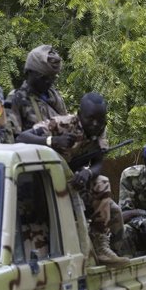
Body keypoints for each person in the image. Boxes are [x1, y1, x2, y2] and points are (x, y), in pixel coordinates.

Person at [17, 93, 126, 263]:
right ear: (79, 115)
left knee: (106, 194)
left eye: (100, 120)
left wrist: (87, 173)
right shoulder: (61, 124)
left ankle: (102, 246)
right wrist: (52, 140)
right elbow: (22, 137)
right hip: (43, 187)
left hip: (72, 184)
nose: (96, 124)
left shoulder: (100, 130)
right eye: (91, 119)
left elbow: (98, 162)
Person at [6, 44, 67, 138]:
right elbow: (14, 138)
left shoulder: (53, 95)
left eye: (52, 77)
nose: (49, 81)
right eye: (44, 77)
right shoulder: (16, 98)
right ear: (29, 72)